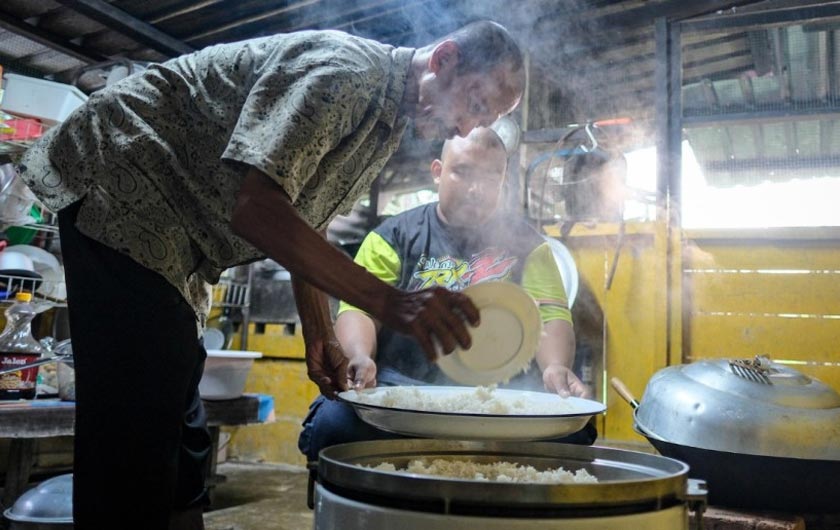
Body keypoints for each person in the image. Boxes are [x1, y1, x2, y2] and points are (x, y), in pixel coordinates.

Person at [15, 21, 524, 530]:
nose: (465, 128)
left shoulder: (383, 125)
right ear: (445, 60)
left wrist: (319, 332)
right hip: (127, 179)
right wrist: (390, 302)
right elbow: (256, 209)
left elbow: (306, 216)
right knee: (136, 426)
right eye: (476, 105)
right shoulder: (344, 73)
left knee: (180, 424)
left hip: (177, 233)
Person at [298, 127, 595, 462]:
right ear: (438, 172)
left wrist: (555, 367)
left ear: (503, 179)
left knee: (573, 434)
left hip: (500, 399)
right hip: (403, 392)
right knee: (332, 426)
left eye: (490, 175)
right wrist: (359, 355)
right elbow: (359, 310)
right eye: (462, 172)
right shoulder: (393, 236)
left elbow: (551, 315)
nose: (476, 189)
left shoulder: (530, 246)